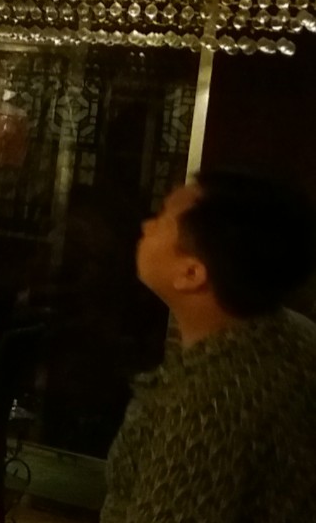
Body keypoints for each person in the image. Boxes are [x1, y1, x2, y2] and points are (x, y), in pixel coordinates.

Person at [101, 171, 316, 522]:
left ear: (191, 273)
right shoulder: (296, 333)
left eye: (162, 219)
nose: (146, 225)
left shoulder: (206, 408)